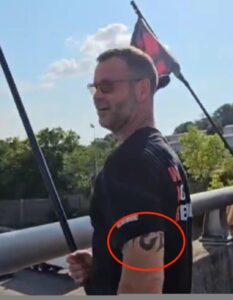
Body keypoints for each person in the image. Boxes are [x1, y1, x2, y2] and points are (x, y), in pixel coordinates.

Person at [67, 47, 193, 294]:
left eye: (107, 87)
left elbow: (144, 285)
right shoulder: (163, 154)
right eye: (94, 88)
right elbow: (156, 246)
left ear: (142, 89)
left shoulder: (129, 163)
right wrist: (103, 263)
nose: (96, 96)